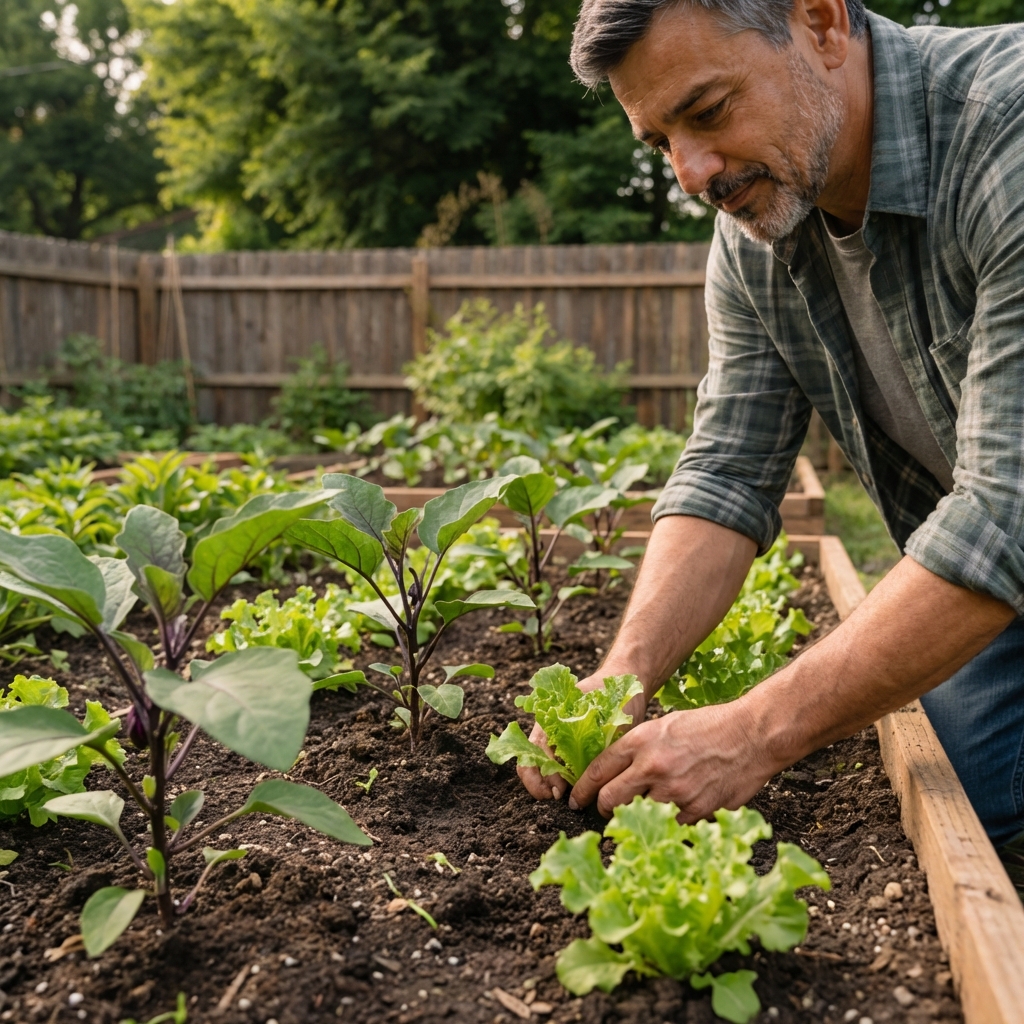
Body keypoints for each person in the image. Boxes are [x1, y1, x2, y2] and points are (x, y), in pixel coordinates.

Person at [516, 0, 1024, 877]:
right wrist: (620, 679)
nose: (690, 171)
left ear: (822, 23)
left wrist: (752, 732)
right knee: (957, 795)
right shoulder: (757, 231)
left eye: (708, 112)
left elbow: (1007, 511)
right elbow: (725, 472)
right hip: (1002, 581)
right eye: (659, 141)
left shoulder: (1003, 133)